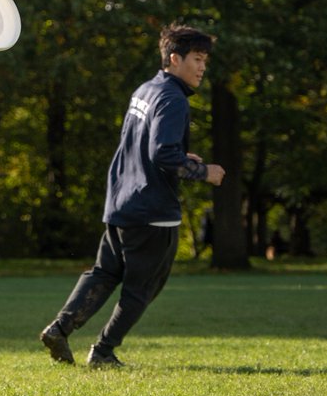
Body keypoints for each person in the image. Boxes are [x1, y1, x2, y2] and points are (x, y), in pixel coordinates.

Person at [39, 24, 225, 368]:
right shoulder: (173, 99)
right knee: (143, 287)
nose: (202, 68)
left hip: (121, 200)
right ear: (175, 58)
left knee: (104, 273)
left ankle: (59, 329)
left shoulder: (146, 90)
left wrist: (182, 157)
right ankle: (103, 351)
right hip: (152, 210)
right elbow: (162, 154)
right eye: (197, 59)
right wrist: (204, 172)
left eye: (205, 61)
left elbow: (145, 146)